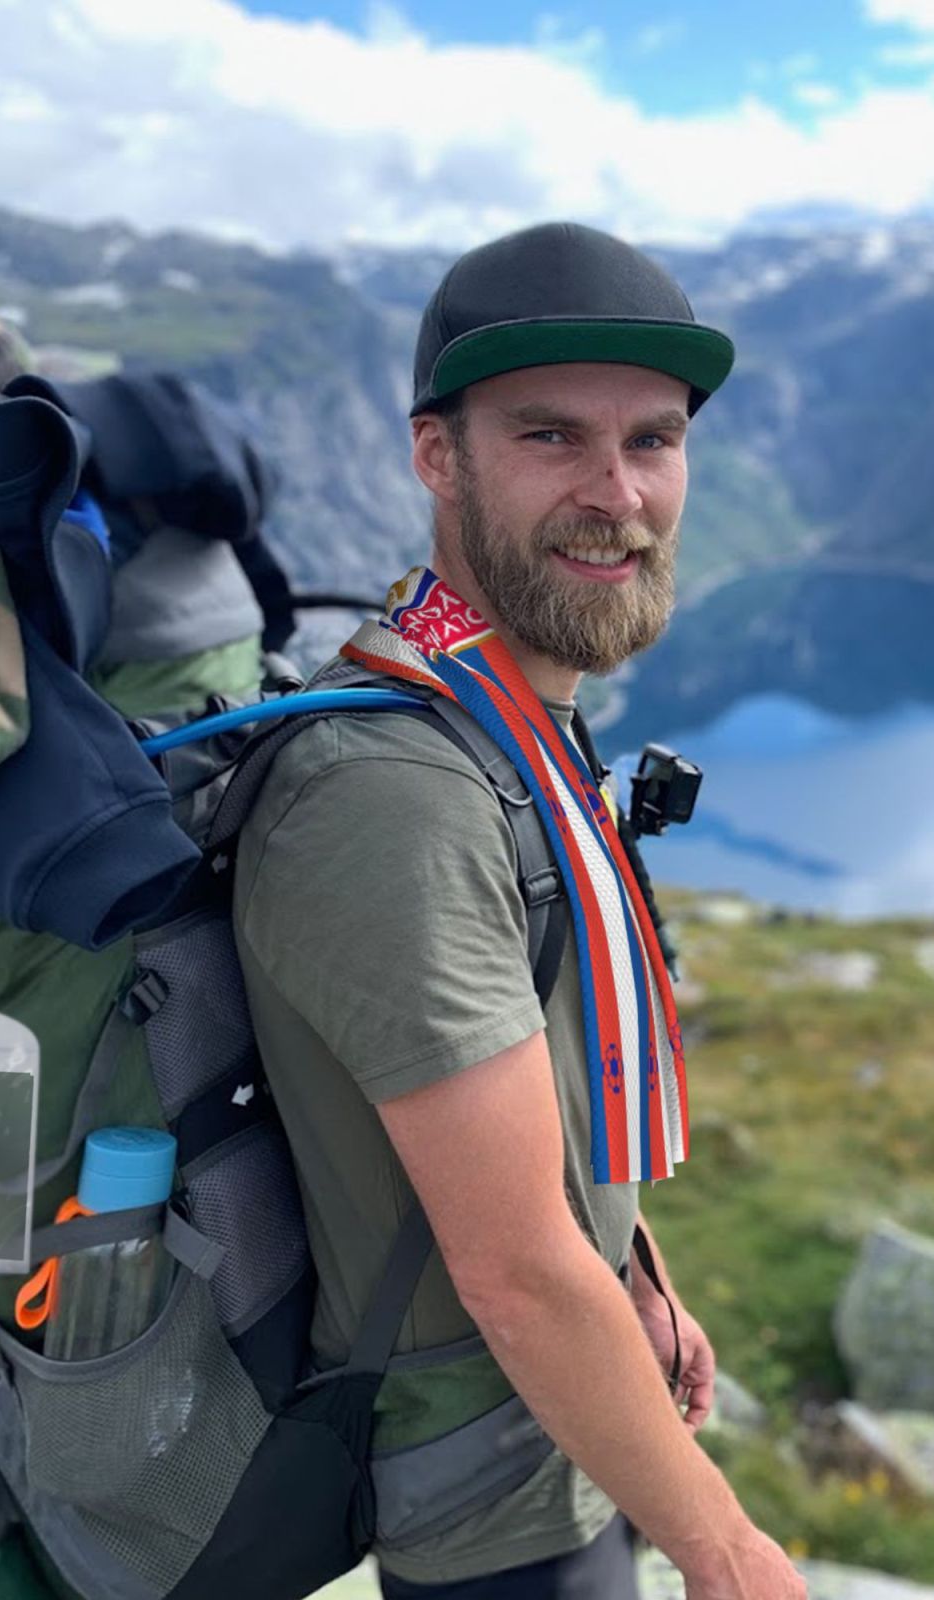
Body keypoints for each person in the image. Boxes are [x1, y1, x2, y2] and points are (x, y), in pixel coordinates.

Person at [232, 222, 808, 1600]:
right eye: (551, 438)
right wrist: (727, 1555)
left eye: (655, 442)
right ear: (439, 456)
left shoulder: (500, 716)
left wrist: (643, 1271)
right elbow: (513, 1272)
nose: (618, 494)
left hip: (561, 1428)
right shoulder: (397, 798)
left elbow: (543, 1081)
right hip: (485, 1496)